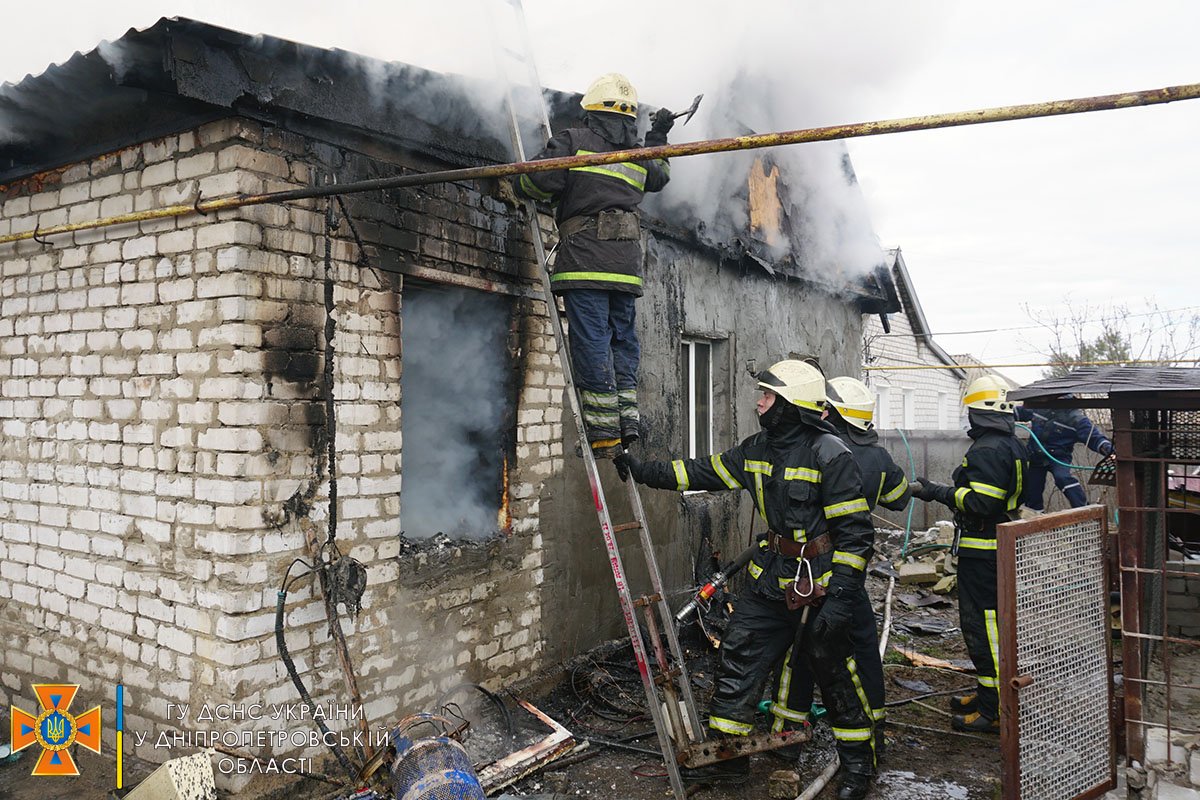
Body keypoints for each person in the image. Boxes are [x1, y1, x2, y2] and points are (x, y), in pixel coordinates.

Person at [615, 360, 877, 799]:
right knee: (738, 662)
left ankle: (857, 769)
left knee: (833, 677)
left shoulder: (831, 455)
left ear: (792, 405)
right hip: (768, 582)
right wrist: (644, 471)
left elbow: (856, 536)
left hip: (819, 587)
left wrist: (841, 599)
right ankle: (730, 761)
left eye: (768, 395)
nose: (759, 402)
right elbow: (700, 472)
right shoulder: (755, 450)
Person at [513, 73, 673, 458]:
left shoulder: (574, 142)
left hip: (584, 263)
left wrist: (531, 182)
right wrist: (659, 137)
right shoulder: (639, 154)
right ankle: (628, 422)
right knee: (623, 342)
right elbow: (661, 176)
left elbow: (530, 185)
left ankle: (603, 434)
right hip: (625, 269)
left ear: (591, 112)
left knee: (593, 343)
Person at [776, 376, 911, 756]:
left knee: (799, 648)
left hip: (809, 569)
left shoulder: (815, 450)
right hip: (851, 569)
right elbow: (899, 498)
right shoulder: (877, 458)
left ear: (830, 412)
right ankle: (874, 727)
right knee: (862, 650)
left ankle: (789, 739)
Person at [909, 375, 1029, 733]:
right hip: (993, 551)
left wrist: (938, 492)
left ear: (979, 412)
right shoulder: (1010, 443)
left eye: (970, 411)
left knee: (984, 631)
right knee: (988, 629)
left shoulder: (988, 449)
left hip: (985, 555)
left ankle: (993, 712)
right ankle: (987, 695)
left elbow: (981, 502)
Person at [1014, 399, 1113, 511]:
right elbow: (1017, 413)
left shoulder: (1077, 419)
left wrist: (1108, 449)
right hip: (1035, 455)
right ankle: (1034, 517)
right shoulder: (1040, 407)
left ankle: (1083, 510)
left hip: (1059, 456)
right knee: (1032, 487)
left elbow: (1094, 438)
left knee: (1062, 477)